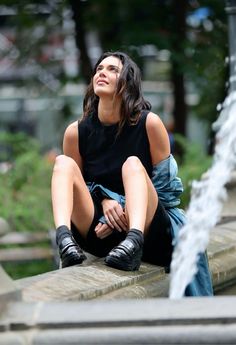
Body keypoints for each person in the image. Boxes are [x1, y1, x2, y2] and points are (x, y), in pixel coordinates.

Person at [51, 51, 213, 296]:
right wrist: (105, 201)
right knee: (63, 164)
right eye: (99, 69)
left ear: (127, 82)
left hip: (147, 232)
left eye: (112, 70)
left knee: (133, 164)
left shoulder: (150, 124)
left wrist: (123, 208)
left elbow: (167, 193)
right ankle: (64, 240)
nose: (102, 72)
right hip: (98, 233)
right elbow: (79, 189)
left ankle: (132, 244)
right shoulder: (76, 132)